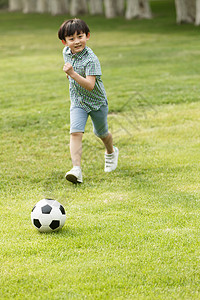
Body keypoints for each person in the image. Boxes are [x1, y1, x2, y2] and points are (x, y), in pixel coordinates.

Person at [58, 18, 119, 184]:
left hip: (97, 102)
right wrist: (70, 74)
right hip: (78, 102)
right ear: (65, 42)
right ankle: (76, 169)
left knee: (101, 133)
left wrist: (72, 74)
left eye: (80, 36)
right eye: (71, 39)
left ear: (88, 36)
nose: (77, 41)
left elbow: (90, 85)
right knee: (75, 132)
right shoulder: (66, 52)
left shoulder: (91, 59)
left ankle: (111, 152)